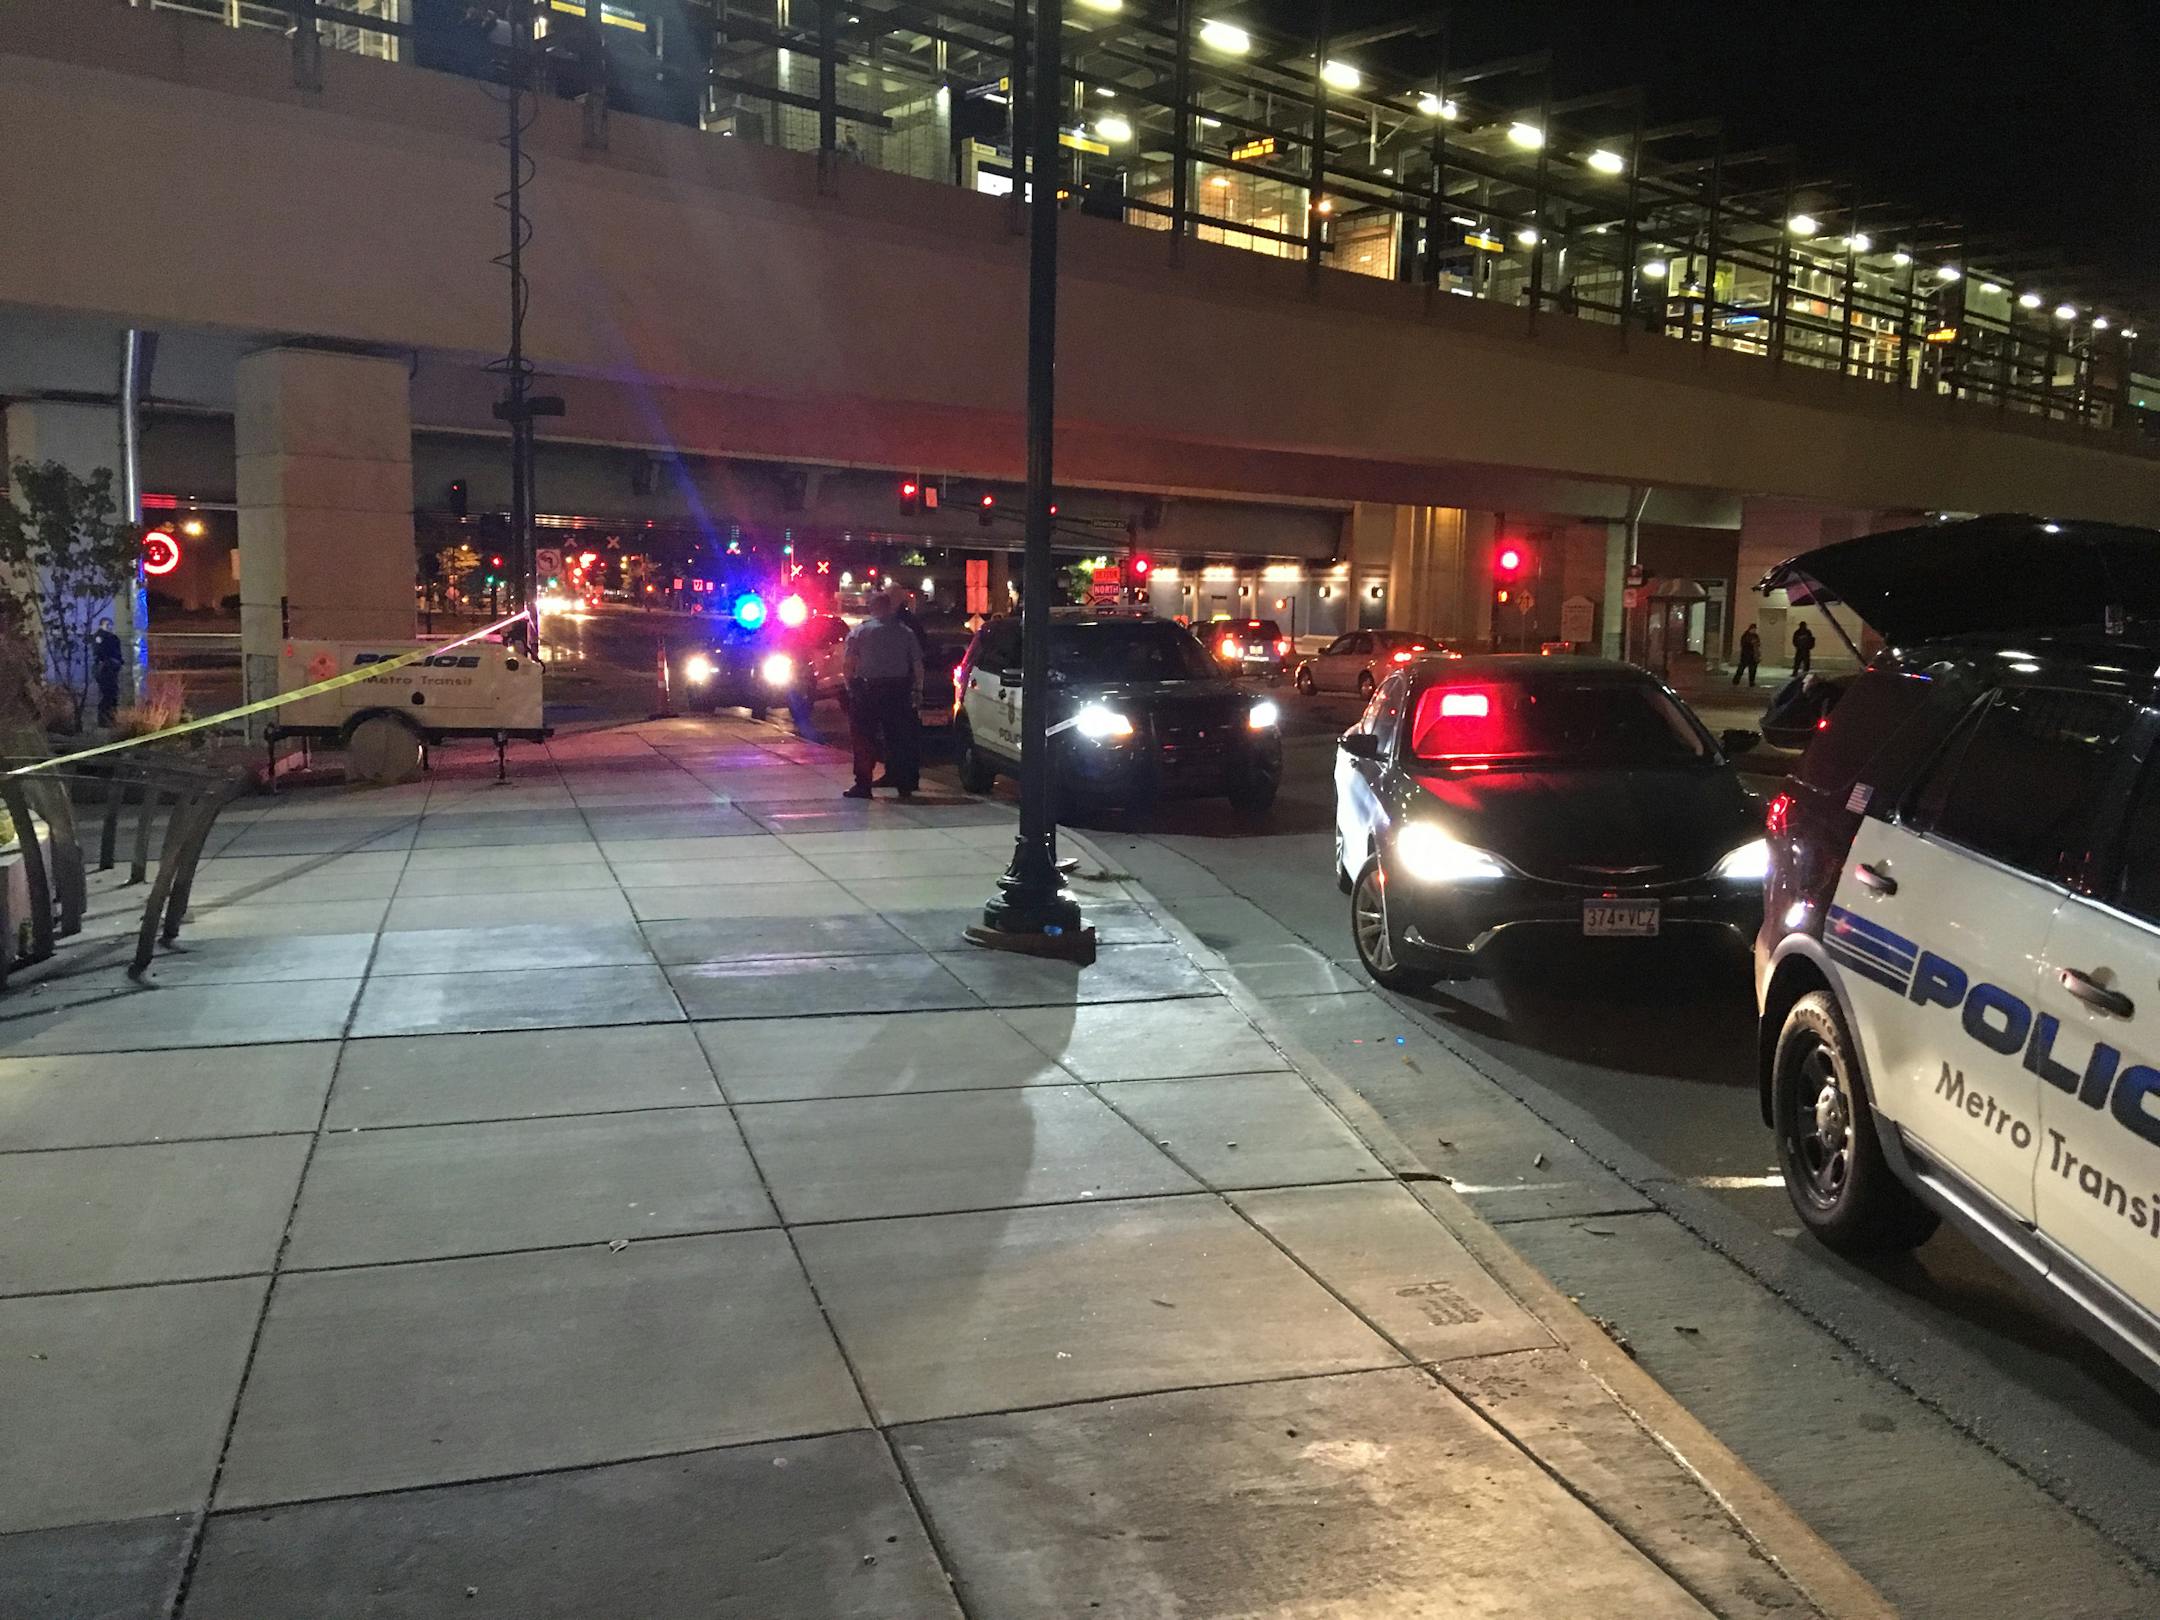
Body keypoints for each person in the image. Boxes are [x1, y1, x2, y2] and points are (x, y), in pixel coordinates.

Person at [843, 592, 923, 800]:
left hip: (868, 692)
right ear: (889, 607)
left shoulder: (861, 631)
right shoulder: (906, 633)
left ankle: (863, 784)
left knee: (863, 739)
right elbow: (917, 664)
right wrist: (918, 690)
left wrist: (851, 687)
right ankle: (903, 783)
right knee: (898, 737)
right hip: (898, 691)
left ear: (873, 608)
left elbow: (849, 664)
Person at [91, 617, 124, 728]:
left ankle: (110, 719)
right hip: (106, 668)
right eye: (108, 625)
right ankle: (105, 720)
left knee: (112, 694)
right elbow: (101, 652)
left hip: (111, 668)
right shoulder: (102, 637)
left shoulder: (109, 637)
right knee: (108, 694)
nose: (110, 627)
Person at [1732, 624, 1762, 688]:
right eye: (1753, 629)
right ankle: (1736, 681)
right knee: (1741, 669)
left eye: (1755, 629)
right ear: (1750, 629)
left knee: (1752, 670)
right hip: (1746, 655)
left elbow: (1758, 644)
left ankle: (1751, 682)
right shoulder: (1745, 635)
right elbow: (1744, 644)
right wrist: (1751, 643)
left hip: (1753, 656)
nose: (1754, 630)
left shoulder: (1755, 636)